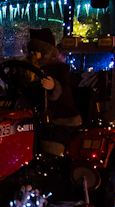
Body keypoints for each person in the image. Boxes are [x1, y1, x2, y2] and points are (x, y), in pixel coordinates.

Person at [25, 28, 82, 156]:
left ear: (45, 52)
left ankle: (51, 167)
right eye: (31, 51)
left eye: (36, 51)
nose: (33, 54)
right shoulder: (25, 70)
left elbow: (64, 90)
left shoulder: (59, 69)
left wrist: (53, 87)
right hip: (30, 114)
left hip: (59, 118)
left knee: (51, 140)